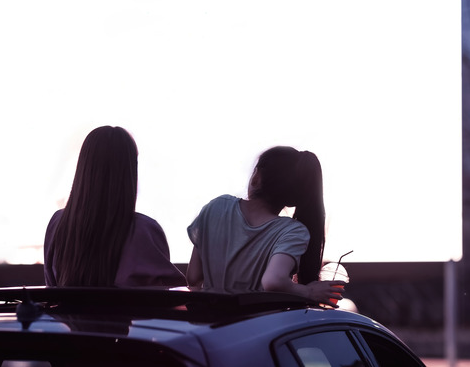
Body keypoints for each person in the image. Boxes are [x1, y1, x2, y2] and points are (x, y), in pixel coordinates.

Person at [186, 146, 345, 306]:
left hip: (209, 322)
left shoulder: (216, 207)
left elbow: (193, 277)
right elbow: (273, 281)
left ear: (256, 177)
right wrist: (308, 292)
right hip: (260, 326)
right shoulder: (292, 231)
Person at [44, 125, 186, 287]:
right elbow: (170, 295)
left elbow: (51, 289)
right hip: (129, 313)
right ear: (129, 171)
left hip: (67, 313)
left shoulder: (58, 224)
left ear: (84, 166)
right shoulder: (145, 230)